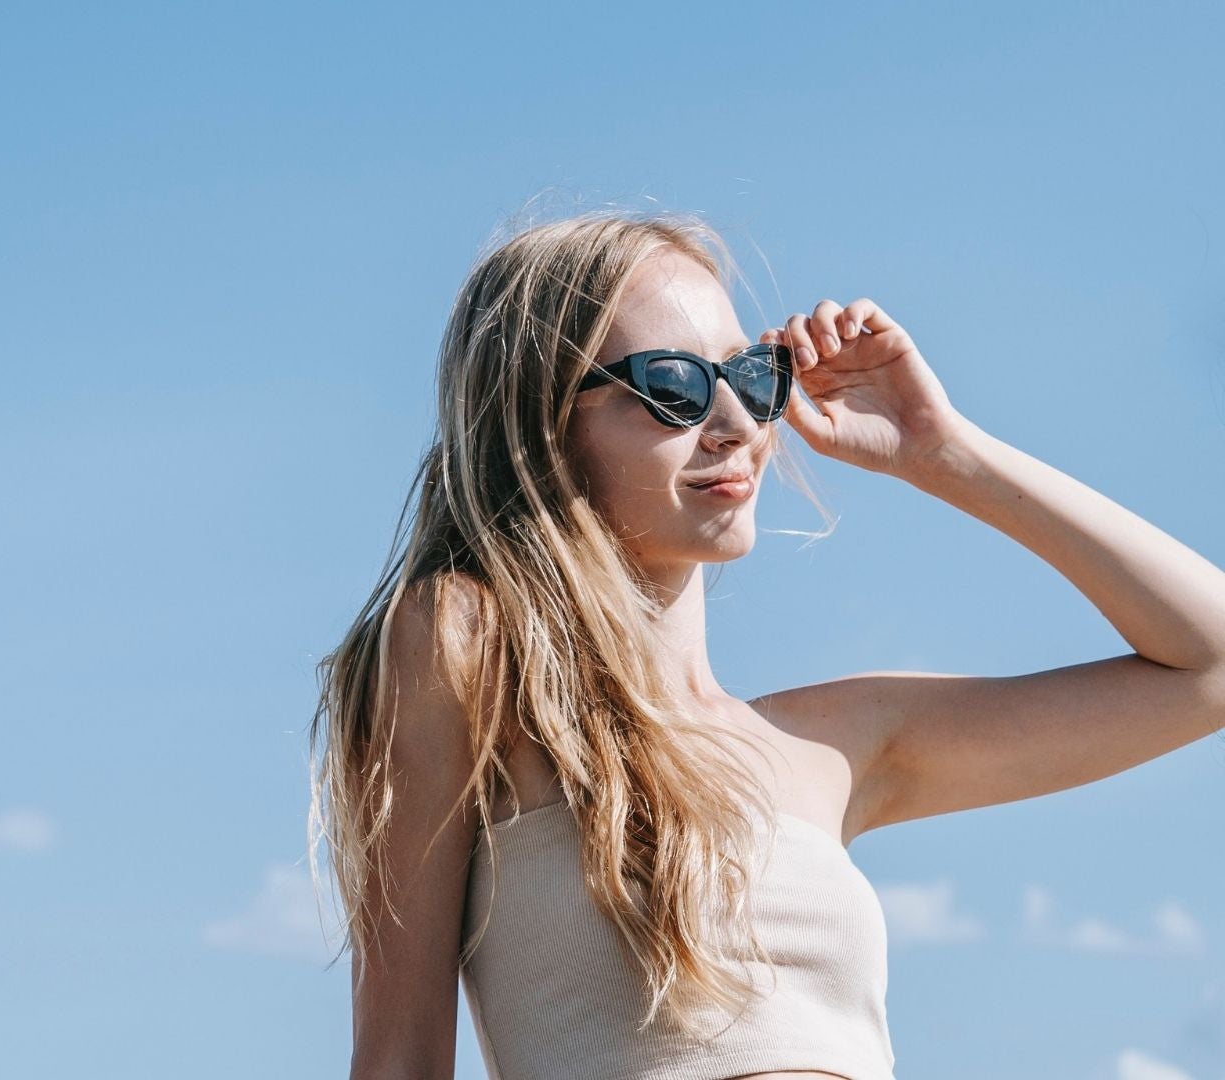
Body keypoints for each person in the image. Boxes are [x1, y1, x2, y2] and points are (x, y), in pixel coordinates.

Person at [305, 209, 1225, 1080]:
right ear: (540, 421)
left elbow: (1210, 666)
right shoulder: (467, 647)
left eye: (752, 379)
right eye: (673, 387)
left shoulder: (835, 746)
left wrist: (944, 451)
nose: (739, 427)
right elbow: (398, 1058)